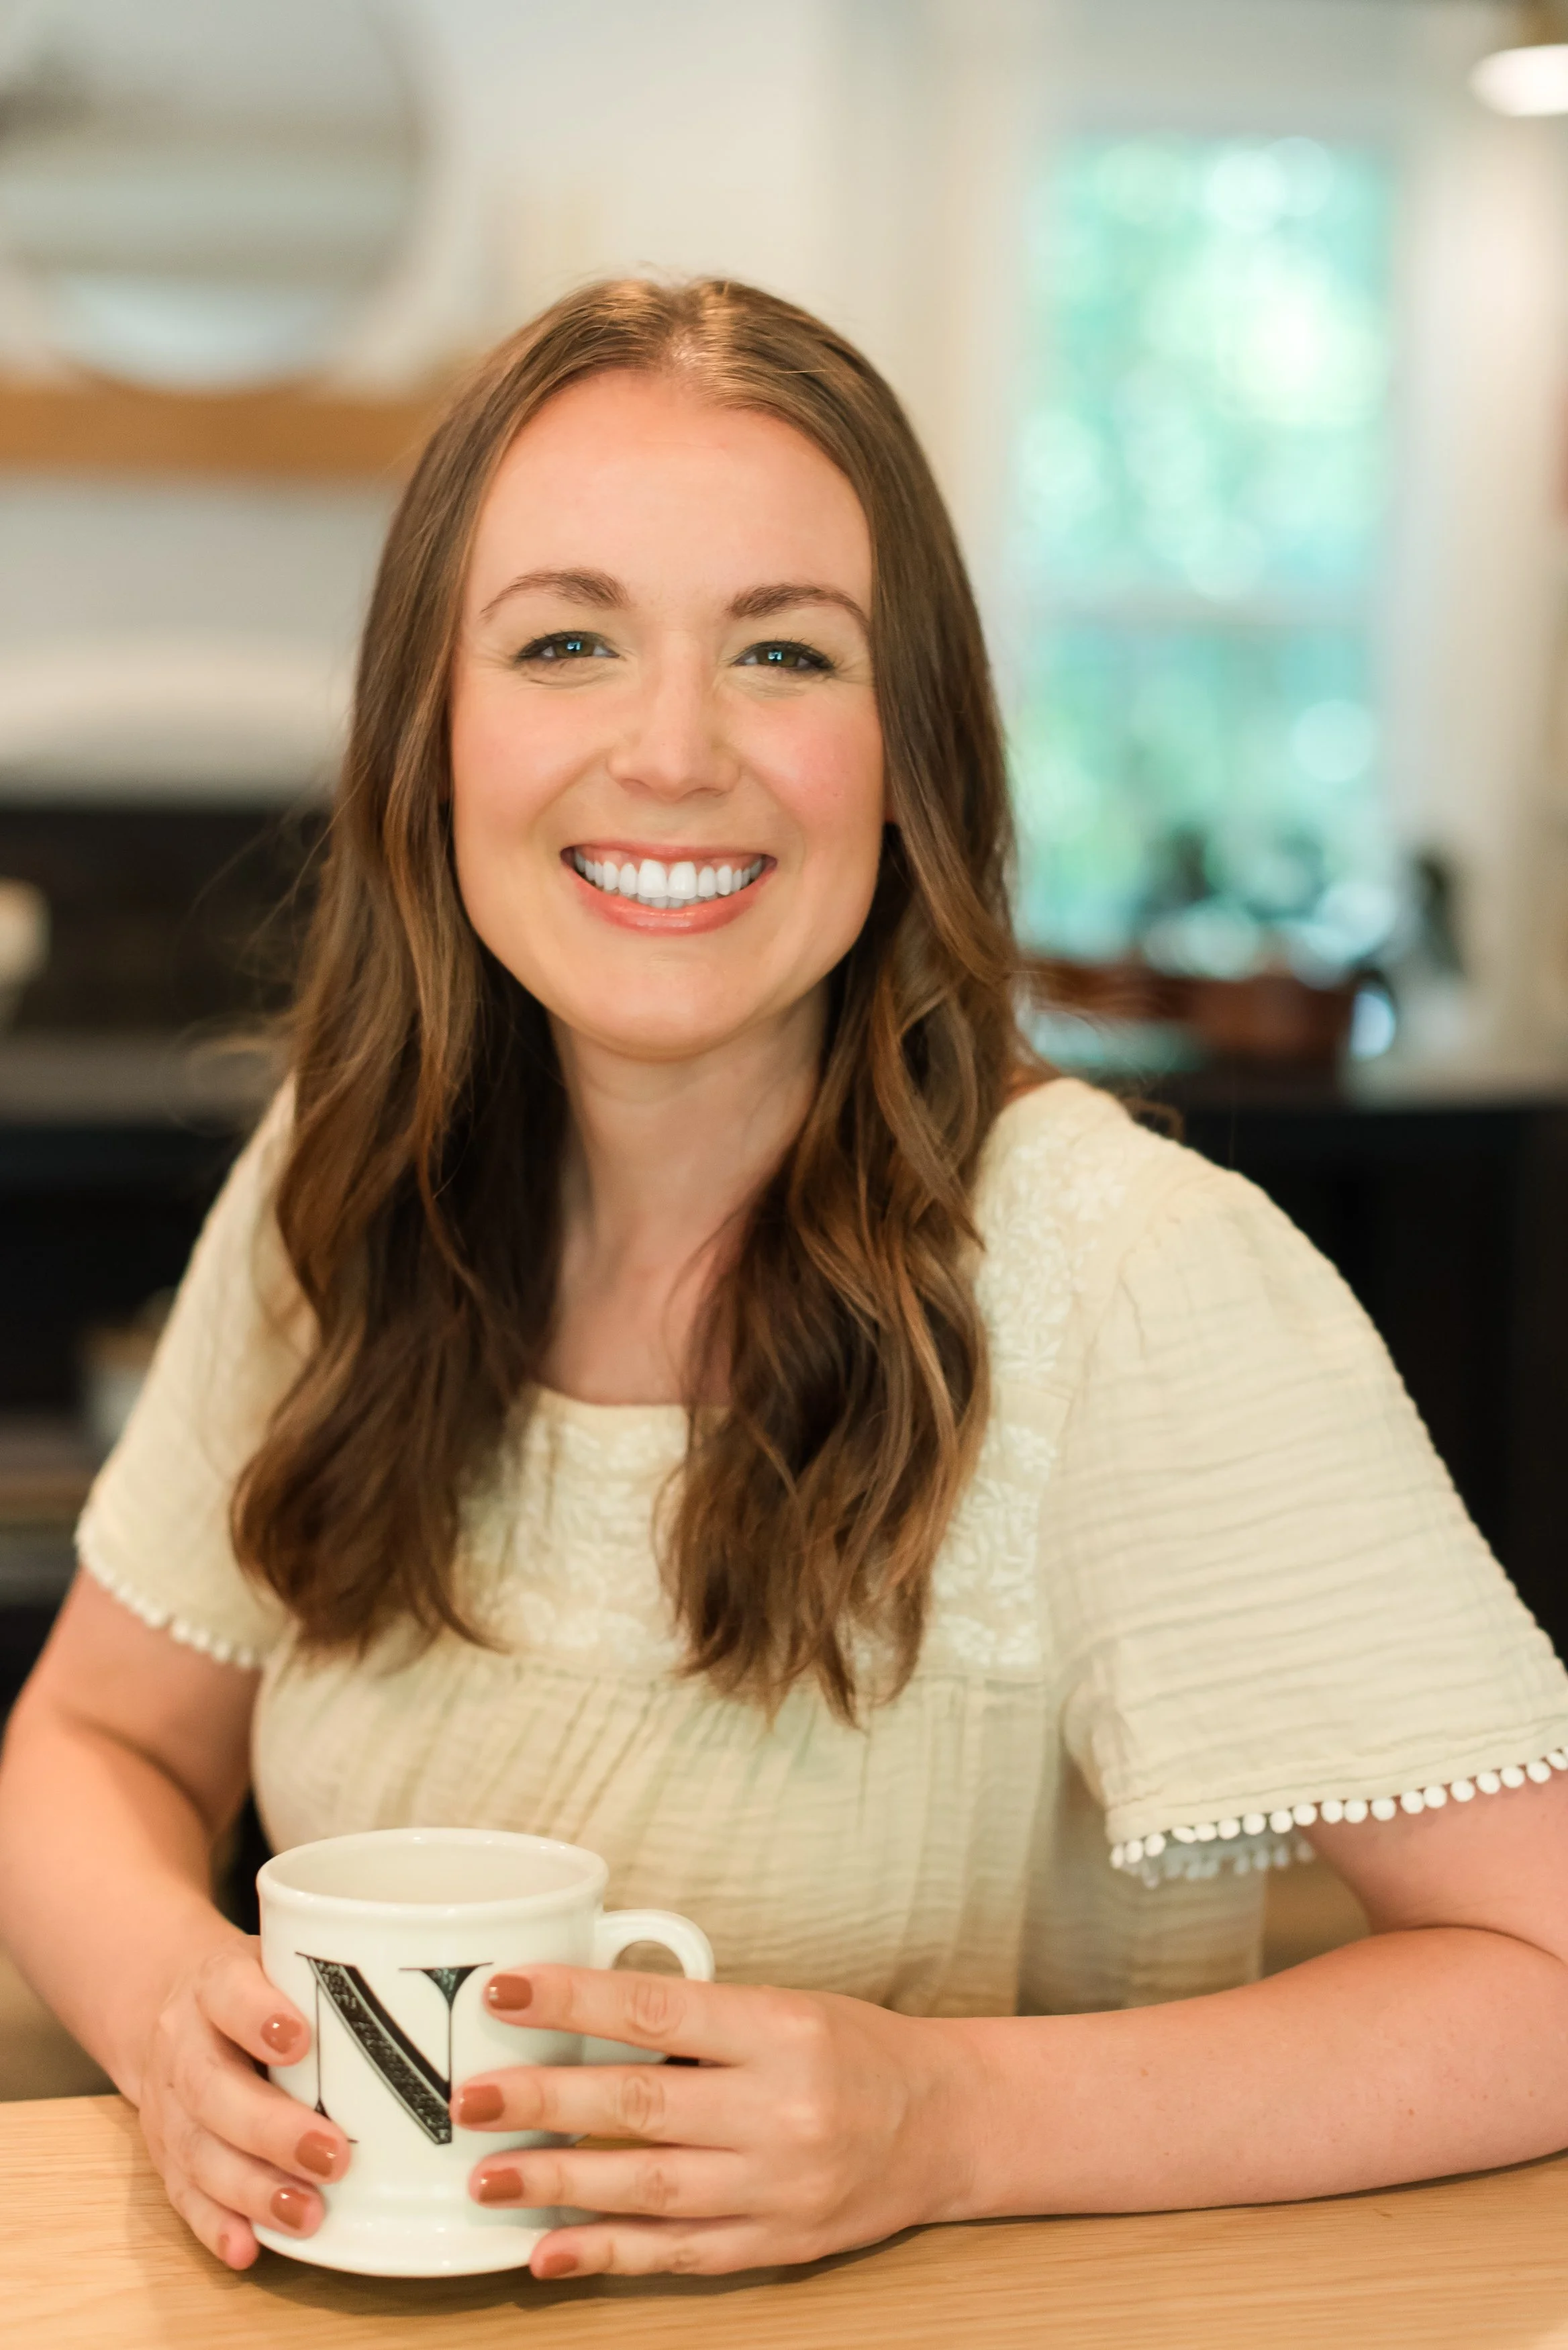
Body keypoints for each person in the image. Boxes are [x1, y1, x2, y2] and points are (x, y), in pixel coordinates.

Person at [3, 277, 1567, 2286]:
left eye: (784, 652)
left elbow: (1542, 1964)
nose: (673, 753)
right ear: (430, 735)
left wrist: (952, 2116)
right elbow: (95, 1744)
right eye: (566, 642)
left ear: (912, 755)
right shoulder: (342, 1185)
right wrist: (163, 2005)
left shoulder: (1134, 1278)